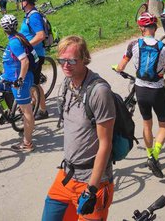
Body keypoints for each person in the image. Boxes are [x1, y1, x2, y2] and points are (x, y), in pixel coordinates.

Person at [41, 36, 115, 221]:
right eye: (62, 60)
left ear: (84, 58)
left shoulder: (99, 92)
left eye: (72, 60)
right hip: (66, 175)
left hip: (92, 183)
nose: (66, 65)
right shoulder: (68, 83)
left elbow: (105, 144)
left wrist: (91, 189)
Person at [115, 13, 165, 178]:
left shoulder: (134, 44)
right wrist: (161, 84)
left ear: (141, 28)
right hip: (157, 90)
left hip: (140, 90)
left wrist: (117, 68)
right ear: (155, 28)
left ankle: (149, 154)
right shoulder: (164, 47)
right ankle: (154, 155)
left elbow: (120, 67)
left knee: (147, 125)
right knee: (163, 126)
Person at [0, 15, 36, 152]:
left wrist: (20, 80)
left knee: (27, 111)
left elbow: (25, 61)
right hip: (9, 76)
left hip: (18, 79)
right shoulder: (19, 37)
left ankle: (27, 143)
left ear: (3, 29)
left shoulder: (14, 42)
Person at [19, 0, 49, 120]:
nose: (20, 3)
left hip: (35, 55)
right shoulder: (28, 15)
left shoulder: (34, 16)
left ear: (26, 2)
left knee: (34, 84)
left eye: (21, 0)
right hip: (29, 54)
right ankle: (33, 103)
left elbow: (41, 35)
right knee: (30, 82)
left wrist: (27, 45)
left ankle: (43, 111)